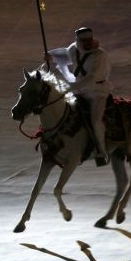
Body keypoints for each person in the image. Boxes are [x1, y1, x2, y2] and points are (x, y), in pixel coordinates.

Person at [45, 27, 112, 165]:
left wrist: (72, 87)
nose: (87, 43)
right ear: (78, 41)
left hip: (97, 92)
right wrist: (51, 57)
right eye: (84, 40)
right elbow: (65, 56)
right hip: (79, 91)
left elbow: (92, 77)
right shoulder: (74, 49)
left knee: (96, 121)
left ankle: (102, 150)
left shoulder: (100, 55)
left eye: (89, 40)